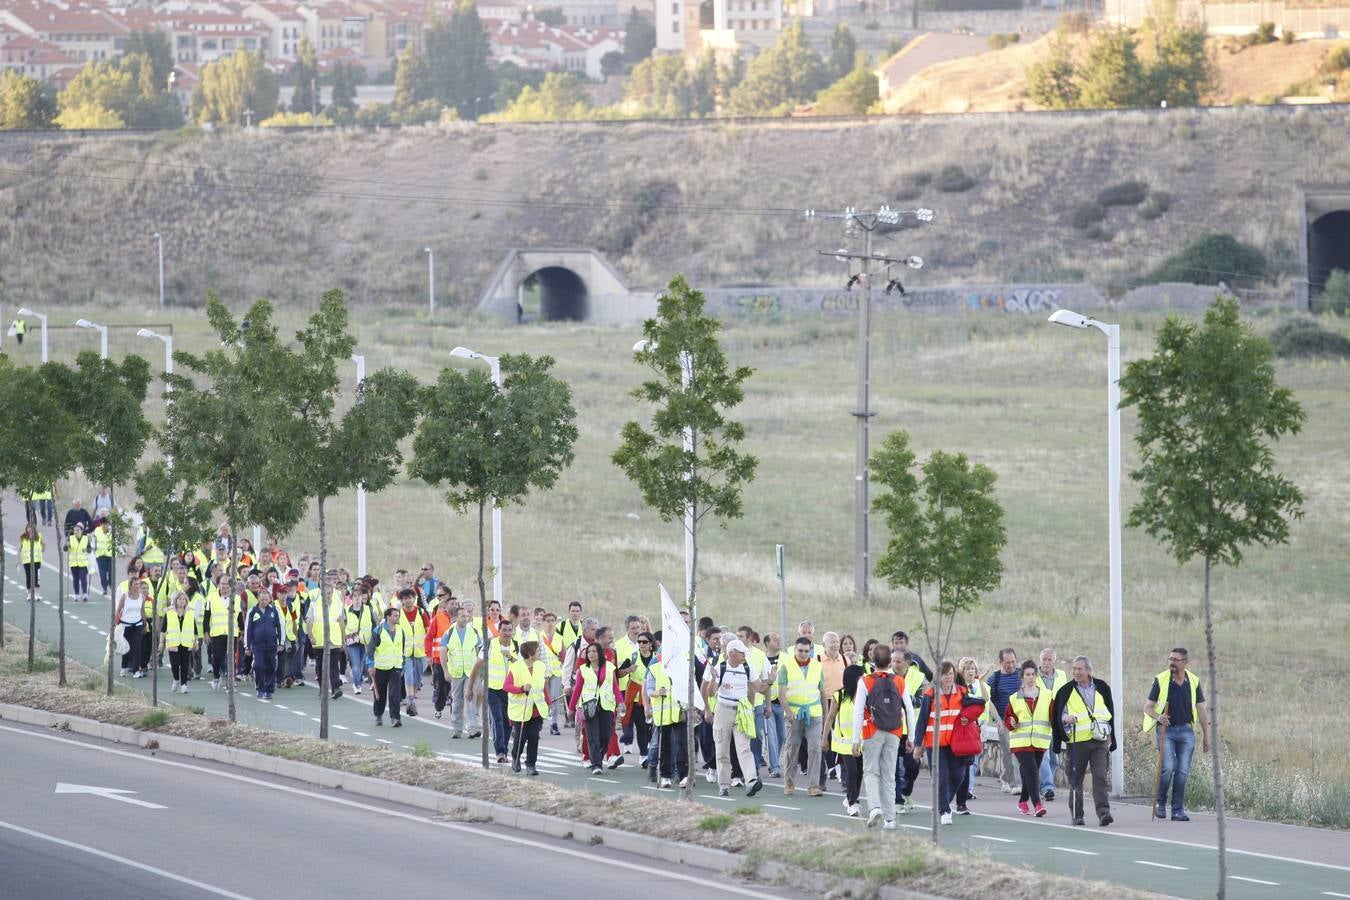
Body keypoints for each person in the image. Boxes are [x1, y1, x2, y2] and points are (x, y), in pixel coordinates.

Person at [913, 660, 985, 826]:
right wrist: (918, 744)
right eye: (945, 674)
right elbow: (922, 720)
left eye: (951, 674)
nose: (948, 678)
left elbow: (974, 706)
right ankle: (945, 810)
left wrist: (969, 717)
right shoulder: (931, 694)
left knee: (959, 776)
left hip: (956, 744)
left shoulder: (961, 691)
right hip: (935, 744)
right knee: (942, 777)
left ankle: (941, 802)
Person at [1143, 647, 1209, 822]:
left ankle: (1178, 810)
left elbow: (1201, 710)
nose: (1172, 662)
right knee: (1168, 767)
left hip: (1186, 730)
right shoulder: (1161, 680)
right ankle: (1161, 804)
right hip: (1167, 730)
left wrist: (1207, 735)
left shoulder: (1193, 681)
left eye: (1176, 659)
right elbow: (1148, 707)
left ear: (1185, 663)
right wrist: (1159, 716)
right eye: (1170, 659)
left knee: (1183, 771)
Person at [1052, 656, 1116, 827]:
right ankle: (1077, 815)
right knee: (1075, 779)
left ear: (1089, 670)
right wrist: (1066, 719)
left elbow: (1110, 712)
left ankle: (1104, 813)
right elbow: (1059, 714)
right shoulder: (1066, 691)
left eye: (1079, 669)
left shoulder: (1102, 687)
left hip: (1099, 741)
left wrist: (1111, 736)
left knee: (1101, 777)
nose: (1075, 672)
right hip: (1076, 742)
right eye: (1074, 669)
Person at [852, 645, 908, 829]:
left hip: (872, 731)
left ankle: (875, 807)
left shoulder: (865, 681)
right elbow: (908, 710)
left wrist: (855, 740)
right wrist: (912, 737)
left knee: (871, 771)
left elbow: (859, 712)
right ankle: (890, 818)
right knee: (889, 774)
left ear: (872, 661)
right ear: (890, 662)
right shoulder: (899, 681)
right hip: (894, 731)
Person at [703, 638, 762, 798]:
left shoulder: (748, 668)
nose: (744, 655)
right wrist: (714, 678)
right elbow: (710, 693)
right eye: (741, 652)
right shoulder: (720, 667)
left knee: (744, 747)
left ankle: (751, 781)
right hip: (723, 709)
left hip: (742, 711)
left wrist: (770, 680)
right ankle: (723, 785)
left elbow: (759, 687)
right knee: (722, 749)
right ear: (731, 654)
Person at [778, 636, 825, 797]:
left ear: (810, 651)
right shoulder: (787, 666)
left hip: (814, 714)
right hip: (794, 714)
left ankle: (813, 785)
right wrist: (788, 712)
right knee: (792, 748)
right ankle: (789, 783)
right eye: (800, 651)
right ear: (795, 650)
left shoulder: (817, 666)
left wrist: (825, 715)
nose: (803, 654)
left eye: (806, 651)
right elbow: (781, 693)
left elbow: (822, 692)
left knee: (815, 748)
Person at [1006, 660, 1051, 817]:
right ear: (1022, 677)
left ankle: (1022, 801)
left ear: (1036, 676)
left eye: (1033, 674)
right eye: (1027, 675)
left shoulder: (1047, 695)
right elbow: (1008, 718)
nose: (1030, 677)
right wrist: (1011, 722)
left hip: (1039, 741)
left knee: (1030, 773)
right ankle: (1037, 805)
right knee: (1031, 771)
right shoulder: (1014, 698)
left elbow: (1053, 716)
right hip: (1020, 742)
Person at [569, 642, 623, 774]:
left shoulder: (609, 667)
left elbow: (615, 686)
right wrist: (571, 708)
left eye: (594, 651)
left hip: (606, 705)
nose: (591, 654)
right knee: (592, 736)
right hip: (589, 707)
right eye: (589, 652)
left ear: (599, 653)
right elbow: (577, 690)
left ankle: (597, 755)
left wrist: (620, 702)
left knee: (605, 736)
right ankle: (596, 765)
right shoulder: (583, 669)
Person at [471, 619, 518, 763]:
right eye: (504, 630)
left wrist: (511, 657)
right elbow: (478, 665)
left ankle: (504, 748)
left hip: (510, 691)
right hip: (492, 689)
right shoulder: (490, 644)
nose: (507, 633)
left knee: (508, 721)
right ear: (499, 631)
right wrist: (470, 686)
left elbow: (521, 667)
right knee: (497, 719)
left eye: (510, 630)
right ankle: (501, 752)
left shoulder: (516, 646)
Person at [824, 664, 864, 816]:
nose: (863, 679)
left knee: (860, 772)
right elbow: (830, 718)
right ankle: (852, 802)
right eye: (860, 676)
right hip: (843, 743)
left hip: (860, 742)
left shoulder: (865, 694)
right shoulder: (839, 696)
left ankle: (852, 797)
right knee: (852, 771)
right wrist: (824, 739)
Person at [505, 640, 549, 775]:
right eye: (538, 651)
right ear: (530, 654)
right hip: (521, 711)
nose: (540, 653)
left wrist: (548, 701)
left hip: (537, 709)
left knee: (534, 737)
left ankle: (531, 765)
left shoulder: (541, 666)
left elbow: (543, 685)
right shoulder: (516, 667)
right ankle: (515, 757)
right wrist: (521, 688)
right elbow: (506, 686)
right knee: (521, 737)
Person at [442, 604, 482, 739]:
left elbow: (480, 650)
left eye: (467, 616)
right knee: (457, 701)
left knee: (470, 698)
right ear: (456, 617)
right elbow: (443, 652)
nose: (465, 618)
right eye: (462, 616)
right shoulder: (449, 632)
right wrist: (445, 671)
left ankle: (472, 728)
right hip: (456, 672)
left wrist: (480, 669)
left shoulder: (474, 632)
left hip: (471, 672)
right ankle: (457, 728)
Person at [985, 647, 1022, 796]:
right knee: (1009, 753)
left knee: (1018, 753)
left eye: (1013, 661)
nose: (1011, 665)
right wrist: (998, 720)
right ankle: (1015, 784)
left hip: (1021, 721)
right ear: (1000, 662)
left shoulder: (1021, 675)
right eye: (1007, 662)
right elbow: (988, 701)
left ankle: (1006, 778)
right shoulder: (994, 679)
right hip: (1003, 721)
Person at [307, 571, 346, 700]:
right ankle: (322, 689)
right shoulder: (314, 604)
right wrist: (311, 635)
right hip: (319, 639)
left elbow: (341, 621)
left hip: (334, 639)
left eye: (330, 593)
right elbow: (309, 620)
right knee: (320, 666)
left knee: (334, 665)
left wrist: (343, 638)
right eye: (325, 594)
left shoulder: (338, 604)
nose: (328, 596)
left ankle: (335, 688)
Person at [1036, 648, 1069, 801]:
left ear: (1054, 661)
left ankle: (1041, 784)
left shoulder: (1061, 675)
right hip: (1040, 723)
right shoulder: (1033, 676)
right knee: (1044, 757)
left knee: (1054, 759)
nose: (1046, 663)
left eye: (1049, 660)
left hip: (1056, 723)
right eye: (1044, 660)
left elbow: (1067, 697)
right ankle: (1048, 787)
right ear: (1040, 660)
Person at [368, 607, 407, 727]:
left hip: (396, 666)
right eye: (395, 615)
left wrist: (402, 663)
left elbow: (402, 648)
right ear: (388, 617)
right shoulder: (378, 631)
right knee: (380, 693)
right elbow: (370, 649)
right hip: (380, 667)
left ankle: (395, 718)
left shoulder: (401, 630)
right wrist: (371, 665)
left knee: (395, 693)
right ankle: (378, 715)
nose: (397, 617)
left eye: (398, 615)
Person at [160, 591, 200, 694]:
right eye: (180, 599)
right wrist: (161, 642)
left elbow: (195, 629)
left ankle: (184, 685)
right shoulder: (169, 613)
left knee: (185, 665)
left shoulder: (190, 613)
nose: (182, 601)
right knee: (174, 664)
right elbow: (163, 629)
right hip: (173, 643)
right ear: (175, 601)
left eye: (183, 599)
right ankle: (176, 679)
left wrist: (196, 642)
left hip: (186, 643)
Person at [397, 588, 429, 716]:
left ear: (414, 599)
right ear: (402, 600)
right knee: (408, 676)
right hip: (405, 652)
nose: (408, 600)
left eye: (410, 598)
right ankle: (410, 701)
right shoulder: (398, 614)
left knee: (417, 678)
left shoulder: (421, 612)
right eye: (405, 598)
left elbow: (428, 630)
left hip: (420, 651)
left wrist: (429, 648)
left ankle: (412, 696)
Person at [247, 588, 283, 699]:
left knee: (271, 666)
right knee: (258, 666)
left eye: (266, 599)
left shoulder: (275, 611)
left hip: (272, 644)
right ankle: (259, 688)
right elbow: (248, 629)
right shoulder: (252, 611)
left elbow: (280, 626)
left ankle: (269, 690)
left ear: (269, 599)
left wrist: (281, 643)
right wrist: (247, 646)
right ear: (258, 599)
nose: (264, 601)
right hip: (257, 645)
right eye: (262, 599)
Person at [761, 632, 785, 779]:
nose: (778, 642)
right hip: (766, 702)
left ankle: (773, 758)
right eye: (775, 640)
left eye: (779, 639)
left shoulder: (786, 658)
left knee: (781, 736)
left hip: (782, 703)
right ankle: (775, 767)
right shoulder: (761, 658)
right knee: (771, 736)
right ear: (767, 643)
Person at [115, 576, 147, 677]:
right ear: (131, 586)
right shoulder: (125, 596)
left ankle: (136, 670)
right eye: (135, 584)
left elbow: (142, 610)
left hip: (137, 624)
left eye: (139, 584)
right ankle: (124, 667)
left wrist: (144, 623)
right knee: (126, 647)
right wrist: (115, 624)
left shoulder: (142, 596)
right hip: (125, 625)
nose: (137, 586)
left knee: (137, 648)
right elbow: (118, 610)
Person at [65, 522, 91, 603]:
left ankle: (85, 594)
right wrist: (67, 545)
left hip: (82, 563)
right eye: (75, 530)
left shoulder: (86, 539)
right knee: (75, 579)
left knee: (83, 579)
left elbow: (89, 549)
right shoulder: (70, 538)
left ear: (82, 531)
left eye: (78, 530)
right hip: (73, 562)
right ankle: (76, 594)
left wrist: (86, 550)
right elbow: (65, 549)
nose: (76, 531)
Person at [20, 522, 43, 602]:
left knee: (37, 577)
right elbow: (19, 548)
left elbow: (43, 545)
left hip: (37, 560)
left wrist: (41, 552)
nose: (29, 529)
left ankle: (37, 594)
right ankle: (29, 594)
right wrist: (18, 560)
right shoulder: (23, 537)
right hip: (27, 560)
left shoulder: (38, 536)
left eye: (31, 528)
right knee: (28, 577)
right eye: (28, 528)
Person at [92, 518, 115, 596]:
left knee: (111, 572)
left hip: (110, 555)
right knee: (102, 574)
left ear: (108, 524)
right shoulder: (97, 531)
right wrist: (92, 547)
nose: (104, 526)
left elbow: (116, 542)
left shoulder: (112, 531)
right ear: (100, 524)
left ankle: (111, 585)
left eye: (106, 524)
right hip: (100, 555)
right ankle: (104, 588)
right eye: (102, 524)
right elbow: (93, 540)